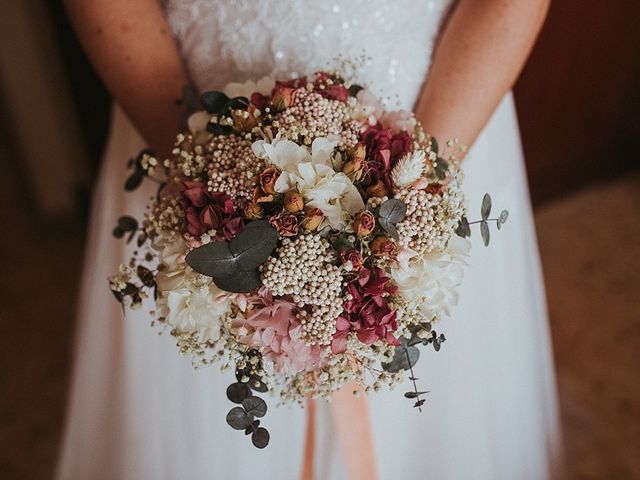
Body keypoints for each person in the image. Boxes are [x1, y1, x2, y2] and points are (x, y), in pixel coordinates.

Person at [57, 1, 562, 478]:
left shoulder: (418, 184)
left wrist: (413, 200)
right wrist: (208, 185)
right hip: (174, 106)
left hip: (447, 102)